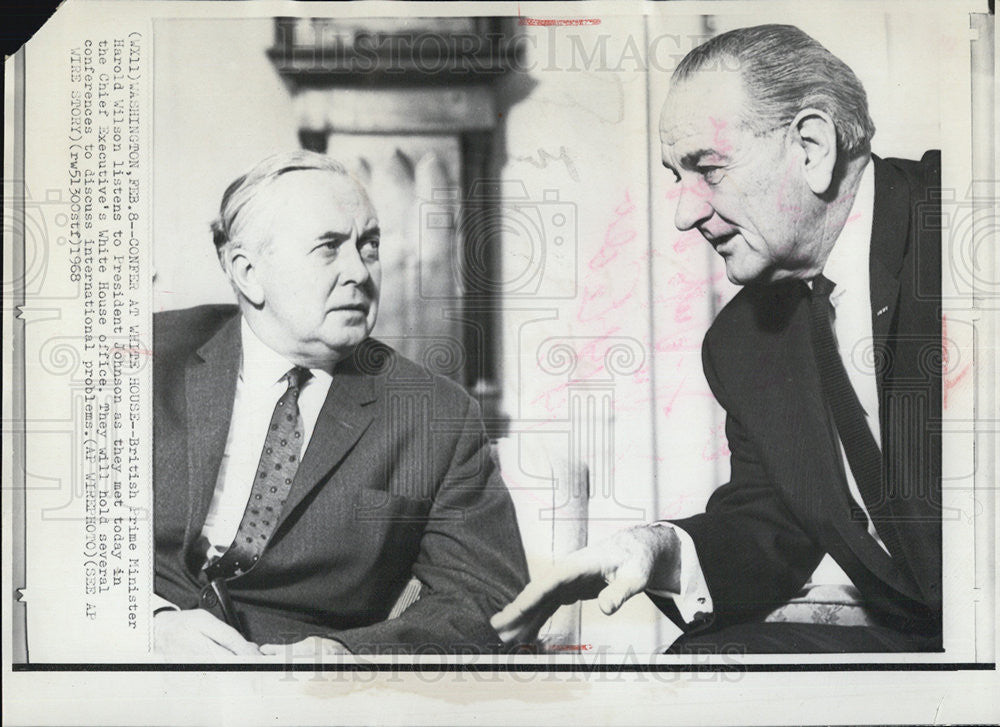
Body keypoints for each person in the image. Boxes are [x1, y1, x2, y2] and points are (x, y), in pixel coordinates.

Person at [492, 24, 941, 653]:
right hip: (931, 646)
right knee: (696, 669)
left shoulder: (965, 222)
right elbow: (772, 526)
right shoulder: (741, 344)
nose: (685, 212)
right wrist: (660, 548)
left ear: (811, 146)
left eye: (709, 169)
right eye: (679, 177)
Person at [153, 151, 528, 657]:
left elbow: (487, 598)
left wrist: (347, 655)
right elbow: (39, 533)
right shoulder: (148, 355)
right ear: (248, 273)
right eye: (329, 247)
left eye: (368, 245)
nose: (360, 270)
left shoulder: (433, 414)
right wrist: (143, 623)